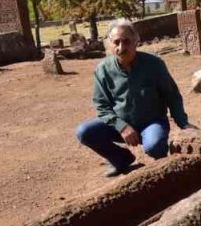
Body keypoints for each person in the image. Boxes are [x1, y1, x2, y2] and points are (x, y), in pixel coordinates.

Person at [75, 19, 190, 177]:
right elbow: (102, 106)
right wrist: (122, 126)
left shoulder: (154, 64)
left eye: (126, 41)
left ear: (136, 41)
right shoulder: (103, 69)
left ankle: (165, 170)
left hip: (151, 122)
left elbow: (172, 95)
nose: (121, 47)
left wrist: (183, 123)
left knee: (154, 145)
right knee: (85, 132)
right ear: (109, 44)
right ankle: (121, 159)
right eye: (116, 42)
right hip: (119, 125)